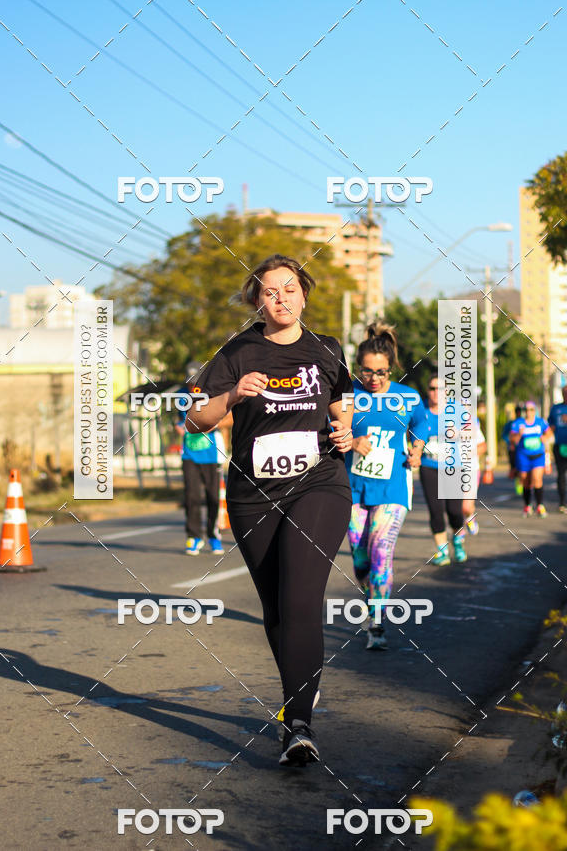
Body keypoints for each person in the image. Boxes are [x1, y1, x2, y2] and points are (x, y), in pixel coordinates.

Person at [186, 254, 353, 767]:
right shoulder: (236, 352)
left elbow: (341, 403)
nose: (280, 298)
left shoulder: (327, 350)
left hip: (318, 484)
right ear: (256, 300)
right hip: (253, 493)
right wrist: (233, 394)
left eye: (289, 289)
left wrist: (346, 431)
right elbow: (195, 419)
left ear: (305, 294)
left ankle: (298, 724)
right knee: (277, 609)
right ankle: (300, 687)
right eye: (269, 292)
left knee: (301, 596)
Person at [345, 323, 427, 650]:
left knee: (381, 550)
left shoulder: (407, 397)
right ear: (357, 367)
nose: (374, 379)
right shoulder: (347, 394)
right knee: (361, 558)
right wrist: (352, 441)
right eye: (367, 371)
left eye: (381, 372)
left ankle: (376, 622)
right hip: (352, 487)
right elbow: (327, 428)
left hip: (393, 486)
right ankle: (371, 597)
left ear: (390, 368)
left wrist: (418, 448)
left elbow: (421, 424)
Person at [175, 362, 231, 556]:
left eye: (195, 382)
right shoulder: (182, 394)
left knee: (213, 497)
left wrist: (211, 423)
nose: (192, 386)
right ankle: (194, 536)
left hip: (211, 453)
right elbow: (179, 419)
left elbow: (230, 417)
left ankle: (213, 536)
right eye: (190, 382)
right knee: (191, 496)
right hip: (189, 451)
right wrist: (179, 426)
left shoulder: (214, 391)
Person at [420, 377, 467, 565]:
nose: (435, 392)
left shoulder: (456, 409)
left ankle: (458, 539)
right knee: (436, 511)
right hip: (429, 466)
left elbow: (472, 432)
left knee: (455, 511)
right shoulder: (420, 410)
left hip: (453, 467)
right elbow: (409, 430)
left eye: (440, 388)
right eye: (432, 388)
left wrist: (459, 433)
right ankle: (442, 551)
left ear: (446, 391)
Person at [510, 400, 551, 517]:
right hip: (523, 456)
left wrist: (545, 437)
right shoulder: (518, 423)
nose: (529, 412)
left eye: (531, 410)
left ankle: (540, 506)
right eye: (526, 410)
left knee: (537, 478)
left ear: (535, 411)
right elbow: (512, 439)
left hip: (538, 456)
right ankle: (527, 505)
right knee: (525, 480)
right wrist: (519, 434)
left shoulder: (540, 422)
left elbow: (549, 433)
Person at [548, 385, 567, 513]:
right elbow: (550, 424)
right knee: (561, 476)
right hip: (559, 446)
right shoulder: (556, 408)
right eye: (564, 392)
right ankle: (562, 503)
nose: (566, 394)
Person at [462, 418, 487, 535]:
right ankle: (459, 535)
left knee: (466, 507)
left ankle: (470, 517)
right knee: (455, 507)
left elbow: (482, 446)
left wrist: (469, 452)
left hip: (470, 469)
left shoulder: (471, 422)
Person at [502, 404, 523, 495]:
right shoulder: (511, 423)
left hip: (522, 449)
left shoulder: (524, 422)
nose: (518, 413)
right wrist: (510, 443)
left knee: (522, 467)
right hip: (513, 449)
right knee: (514, 468)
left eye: (519, 412)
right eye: (517, 412)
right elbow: (505, 435)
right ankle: (518, 485)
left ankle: (523, 484)